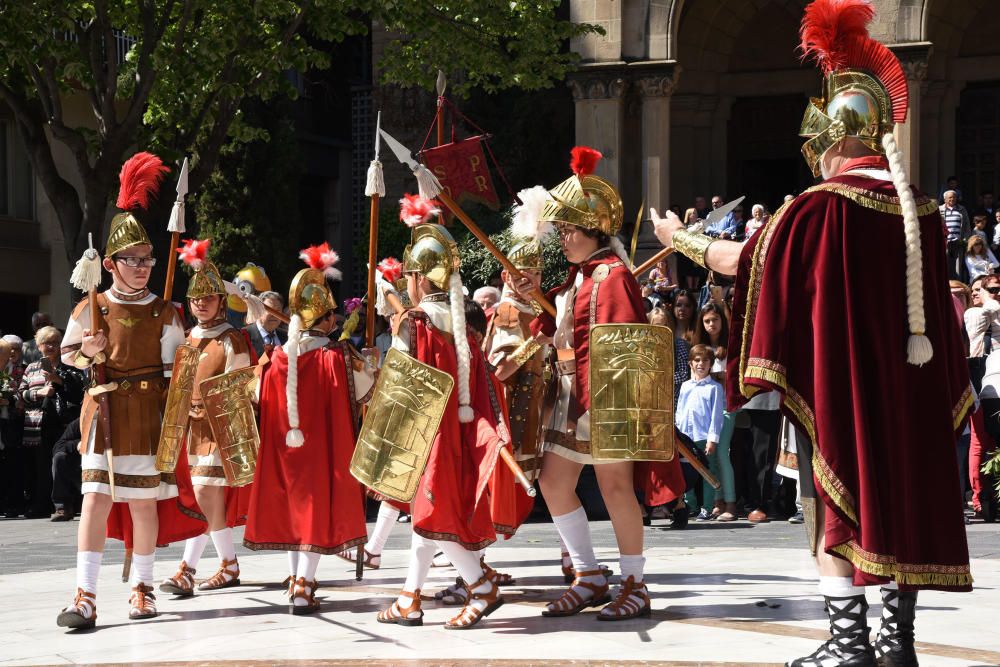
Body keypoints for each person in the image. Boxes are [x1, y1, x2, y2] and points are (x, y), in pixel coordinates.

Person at [652, 2, 972, 664]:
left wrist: (675, 236)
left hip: (845, 384)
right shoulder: (917, 208)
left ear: (835, 140)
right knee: (901, 501)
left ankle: (849, 644)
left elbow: (737, 260)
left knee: (832, 502)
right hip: (911, 397)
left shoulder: (819, 205)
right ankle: (897, 642)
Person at [515, 150, 684, 621]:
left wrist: (603, 402)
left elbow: (622, 349)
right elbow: (564, 334)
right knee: (552, 482)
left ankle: (634, 582)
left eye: (569, 230)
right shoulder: (578, 276)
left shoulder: (611, 276)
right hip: (572, 397)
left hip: (605, 399)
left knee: (615, 488)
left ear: (593, 229)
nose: (562, 238)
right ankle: (589, 574)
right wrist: (538, 304)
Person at [57, 152, 187, 629]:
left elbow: (179, 371)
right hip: (103, 410)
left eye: (148, 259)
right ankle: (85, 595)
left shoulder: (165, 312)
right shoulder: (90, 306)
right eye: (133, 260)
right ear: (109, 264)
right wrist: (90, 350)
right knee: (94, 499)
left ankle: (143, 589)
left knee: (142, 502)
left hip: (147, 414)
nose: (143, 267)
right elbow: (69, 356)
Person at [374, 198, 507, 629]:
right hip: (455, 432)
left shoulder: (413, 323)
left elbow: (397, 386)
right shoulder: (461, 325)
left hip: (423, 435)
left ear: (416, 278)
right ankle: (410, 598)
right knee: (428, 517)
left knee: (433, 516)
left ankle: (479, 584)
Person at [243, 243, 372, 614]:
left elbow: (254, 396)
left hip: (284, 455)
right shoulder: (339, 357)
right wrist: (370, 366)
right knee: (313, 510)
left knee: (290, 509)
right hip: (322, 452)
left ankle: (295, 580)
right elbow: (366, 394)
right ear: (328, 320)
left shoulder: (273, 360)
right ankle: (304, 583)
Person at [160, 239, 255, 599]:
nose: (201, 303)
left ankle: (191, 568)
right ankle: (227, 564)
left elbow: (240, 382)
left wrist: (213, 407)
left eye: (208, 298)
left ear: (220, 300)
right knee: (202, 499)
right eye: (196, 299)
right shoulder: (184, 340)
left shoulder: (233, 338)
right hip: (189, 429)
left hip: (220, 429)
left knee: (202, 495)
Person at [17, 326, 85, 519]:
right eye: (47, 343)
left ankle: (65, 505)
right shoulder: (31, 368)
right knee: (39, 466)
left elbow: (79, 393)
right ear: (38, 346)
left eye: (55, 342)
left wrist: (59, 382)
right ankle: (42, 504)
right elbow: (20, 395)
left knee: (62, 461)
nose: (52, 346)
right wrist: (38, 393)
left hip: (63, 424)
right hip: (37, 425)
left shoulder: (69, 366)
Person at [692, 302, 738, 521]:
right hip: (704, 409)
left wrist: (720, 378)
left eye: (715, 319)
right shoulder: (698, 347)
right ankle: (717, 501)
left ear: (723, 320)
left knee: (722, 453)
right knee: (710, 456)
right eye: (707, 320)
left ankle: (731, 503)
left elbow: (734, 378)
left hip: (726, 406)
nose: (711, 324)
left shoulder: (731, 344)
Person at [674, 345, 725, 522]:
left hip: (703, 436)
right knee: (685, 472)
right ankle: (691, 505)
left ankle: (707, 507)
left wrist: (712, 439)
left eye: (705, 360)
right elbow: (680, 410)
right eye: (697, 360)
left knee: (707, 472)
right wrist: (677, 433)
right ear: (690, 363)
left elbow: (716, 416)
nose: (701, 364)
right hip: (686, 437)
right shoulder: (685, 386)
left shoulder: (714, 388)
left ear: (711, 364)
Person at [51, 418, 82, 521]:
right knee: (59, 458)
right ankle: (62, 507)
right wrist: (77, 444)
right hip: (83, 468)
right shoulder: (80, 423)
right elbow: (58, 446)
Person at [244, 290, 286, 358]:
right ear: (258, 311)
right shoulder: (244, 335)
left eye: (278, 311)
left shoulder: (287, 336)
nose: (274, 315)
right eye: (269, 310)